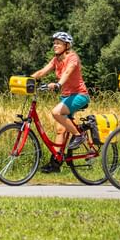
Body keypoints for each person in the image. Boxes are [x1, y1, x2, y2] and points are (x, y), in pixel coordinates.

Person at [31, 31, 91, 173]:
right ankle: (55, 162)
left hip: (79, 95)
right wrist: (25, 80)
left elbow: (67, 73)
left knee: (56, 112)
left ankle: (79, 135)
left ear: (67, 45)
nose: (55, 45)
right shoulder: (56, 60)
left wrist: (58, 84)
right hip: (66, 97)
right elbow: (41, 72)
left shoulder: (73, 58)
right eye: (54, 43)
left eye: (58, 43)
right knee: (60, 130)